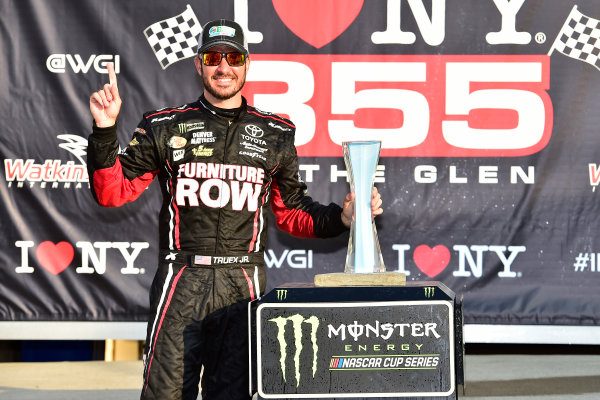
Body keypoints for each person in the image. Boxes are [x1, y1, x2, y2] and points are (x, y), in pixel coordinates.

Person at [87, 19, 382, 400]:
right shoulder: (164, 126)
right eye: (213, 57)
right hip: (181, 279)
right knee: (165, 394)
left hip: (242, 282)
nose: (223, 67)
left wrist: (342, 219)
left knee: (236, 393)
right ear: (199, 65)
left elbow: (292, 211)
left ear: (246, 64)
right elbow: (112, 192)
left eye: (232, 57)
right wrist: (105, 131)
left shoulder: (275, 132)